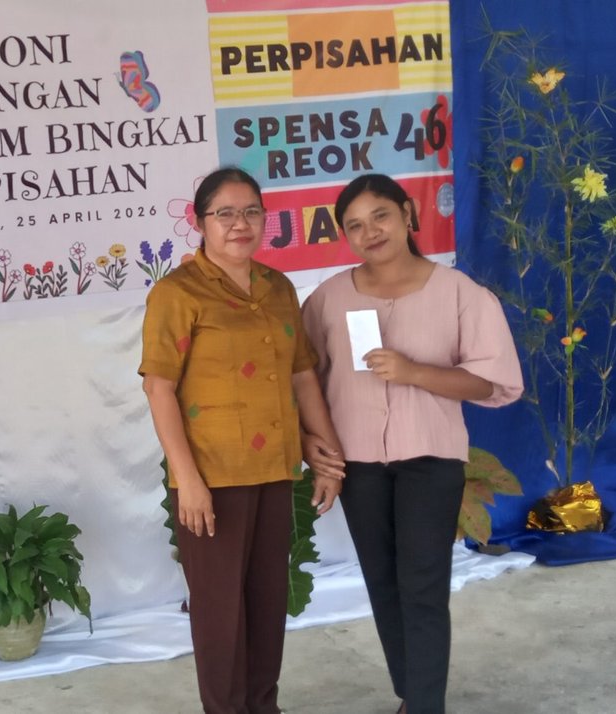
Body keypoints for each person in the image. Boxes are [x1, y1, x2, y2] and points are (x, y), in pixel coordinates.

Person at [301, 174, 524, 714]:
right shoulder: (327, 300)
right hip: (359, 464)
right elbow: (303, 379)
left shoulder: (460, 294)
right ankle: (412, 696)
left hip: (430, 459)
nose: (370, 232)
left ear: (406, 213)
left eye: (380, 215)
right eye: (355, 225)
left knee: (423, 585)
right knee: (382, 582)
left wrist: (415, 372)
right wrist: (311, 442)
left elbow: (494, 384)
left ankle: (426, 707)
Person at [139, 168, 347, 714]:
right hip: (212, 478)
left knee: (266, 603)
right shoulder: (177, 293)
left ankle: (264, 706)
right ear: (199, 221)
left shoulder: (278, 288)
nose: (240, 224)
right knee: (219, 614)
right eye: (225, 213)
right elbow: (159, 388)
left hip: (275, 471)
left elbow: (302, 375)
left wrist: (328, 456)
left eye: (252, 211)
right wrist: (188, 481)